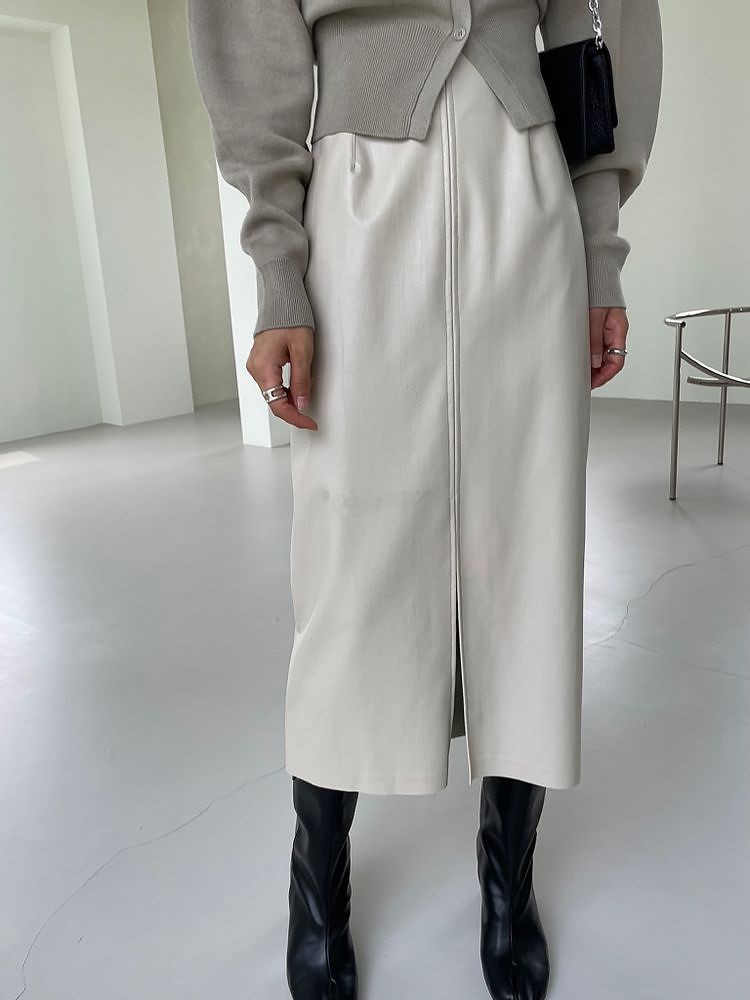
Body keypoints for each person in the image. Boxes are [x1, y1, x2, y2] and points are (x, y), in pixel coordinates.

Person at [187, 1, 663, 997]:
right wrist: (279, 272)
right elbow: (251, 48)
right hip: (358, 205)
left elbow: (597, 31)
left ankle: (507, 876)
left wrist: (599, 248)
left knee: (527, 548)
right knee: (350, 568)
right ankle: (316, 882)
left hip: (527, 192)